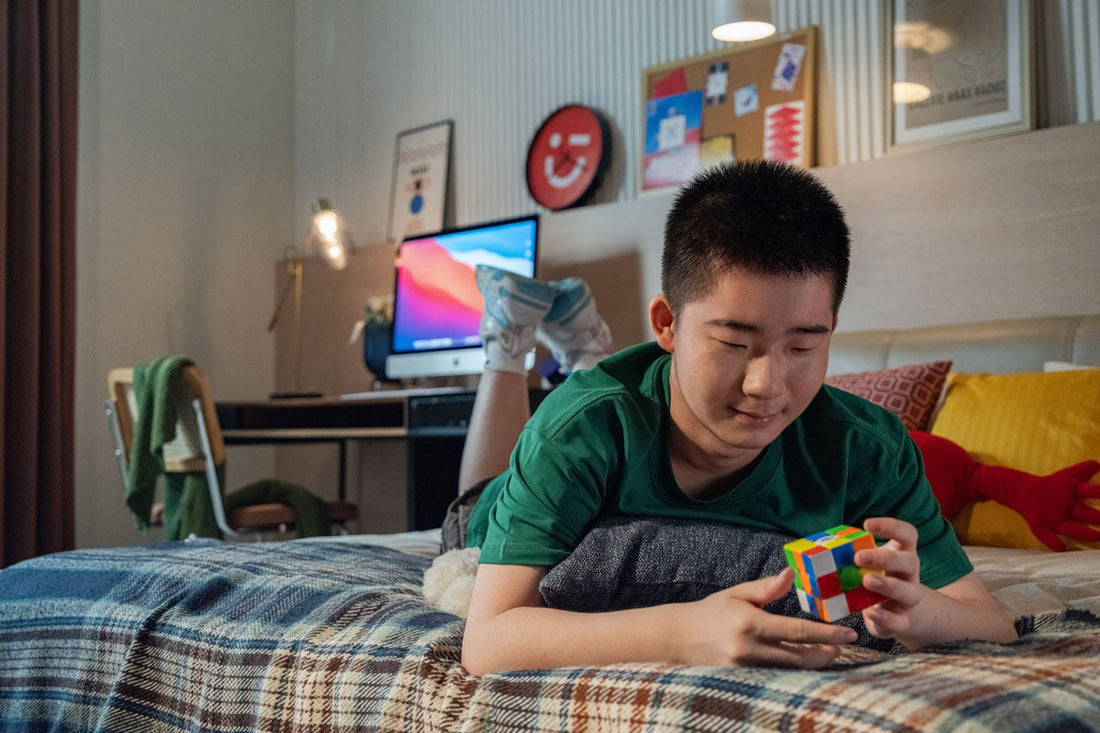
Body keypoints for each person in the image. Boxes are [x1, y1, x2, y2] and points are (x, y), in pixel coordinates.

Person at [456, 160, 1016, 677]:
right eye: (732, 342)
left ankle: (581, 344)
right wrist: (680, 633)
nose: (766, 386)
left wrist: (919, 611)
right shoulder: (578, 429)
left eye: (802, 348)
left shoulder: (868, 447)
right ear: (668, 324)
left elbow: (989, 622)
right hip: (487, 514)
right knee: (476, 494)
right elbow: (488, 641)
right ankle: (510, 343)